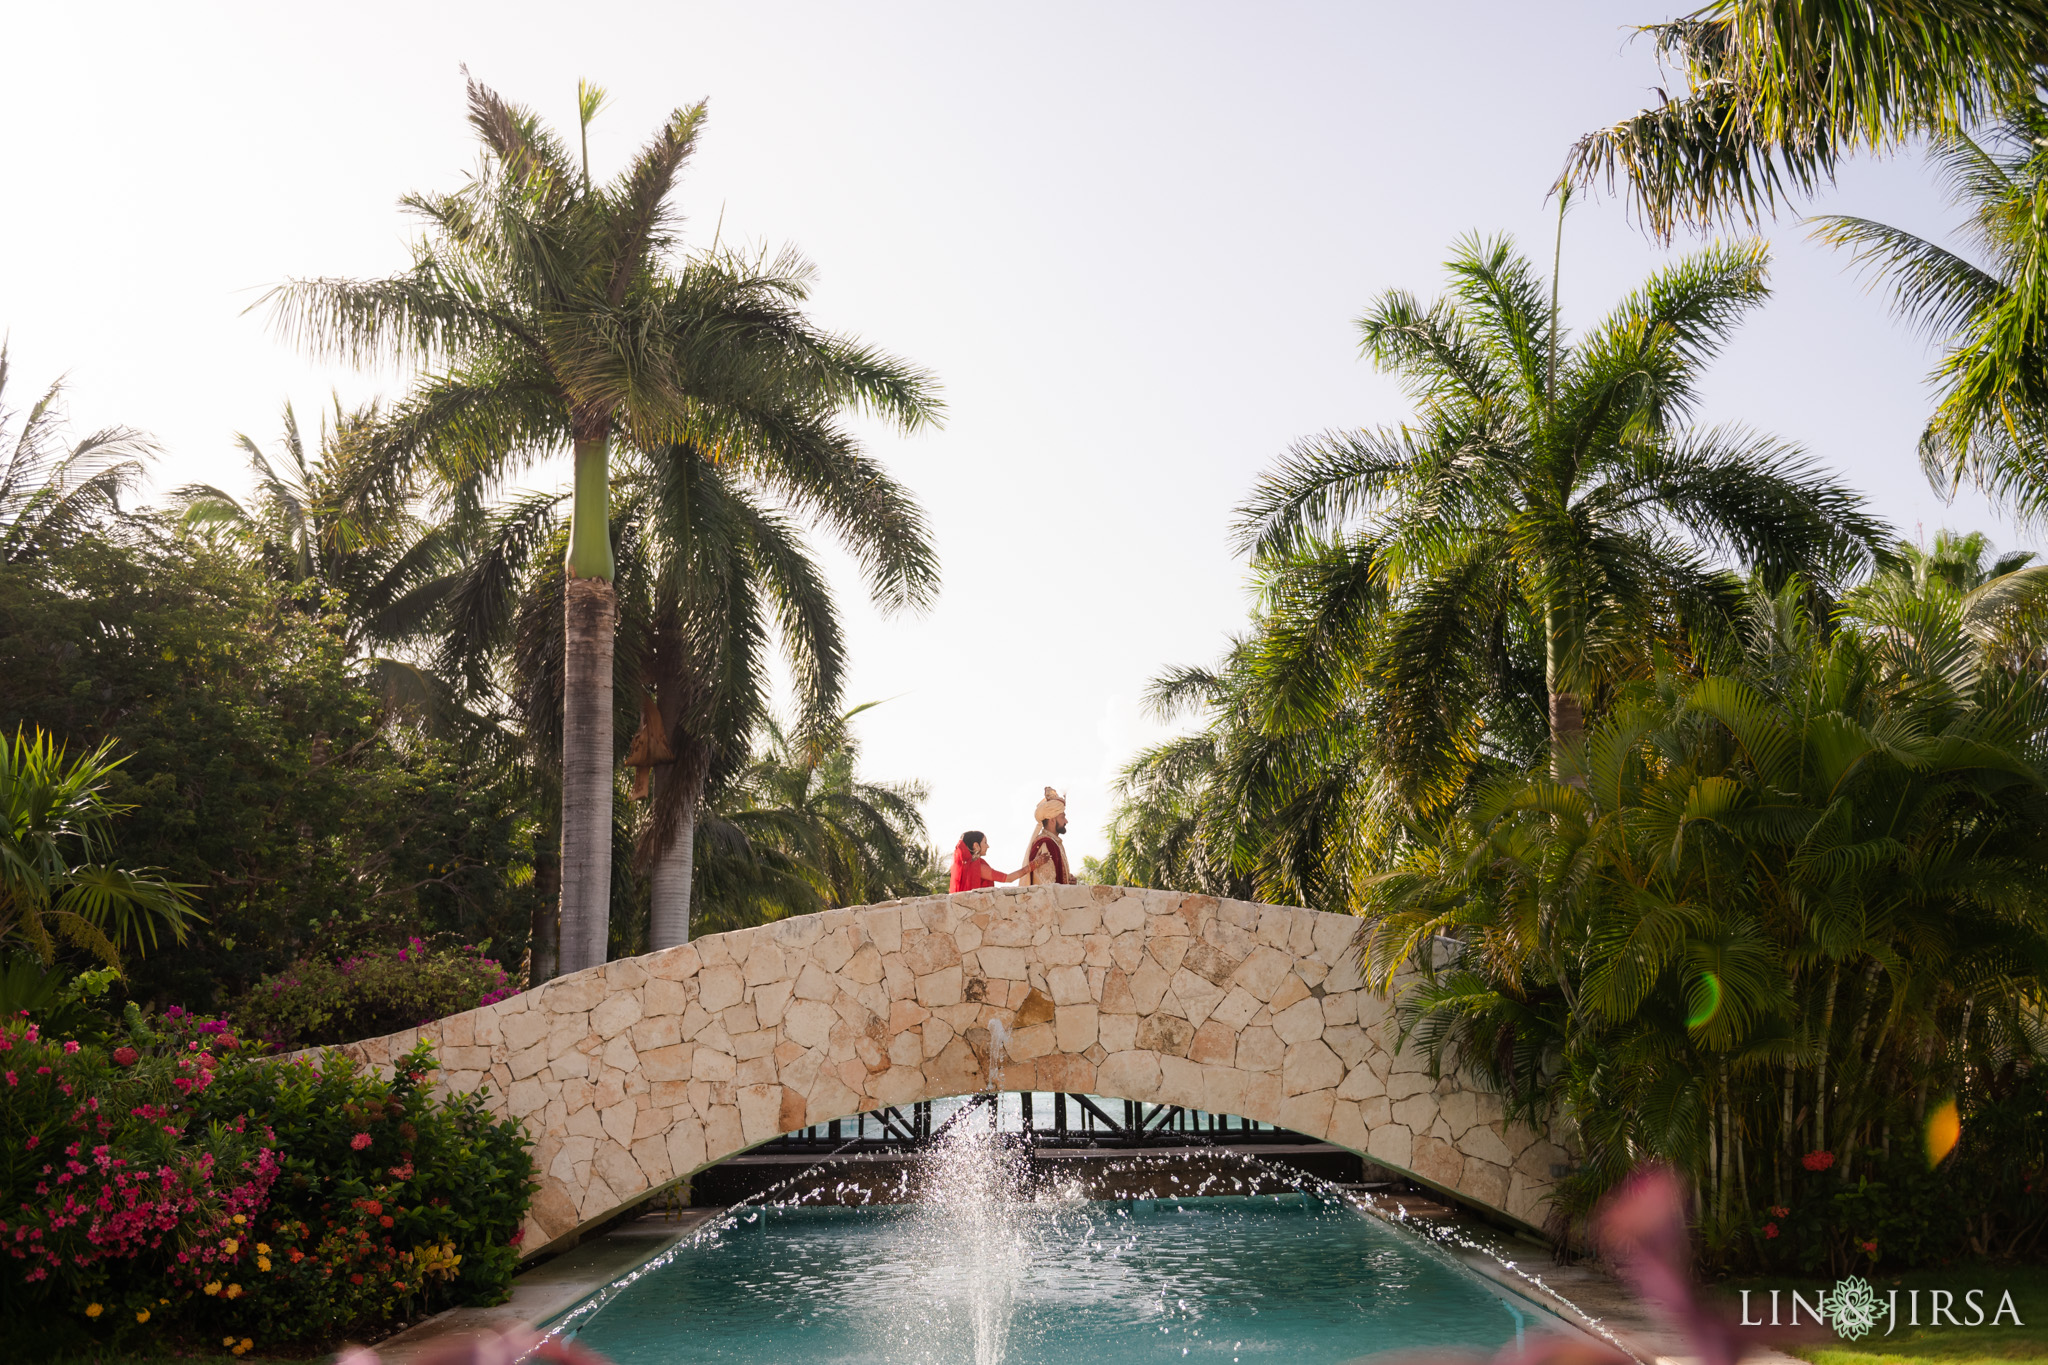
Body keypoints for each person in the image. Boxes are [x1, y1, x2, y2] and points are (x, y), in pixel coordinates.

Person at [1018, 787, 1075, 885]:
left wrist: (1070, 883)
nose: (1066, 821)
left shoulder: (1054, 843)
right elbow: (1047, 887)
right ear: (1052, 820)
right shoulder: (1046, 843)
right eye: (1063, 817)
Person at [948, 830, 1035, 893]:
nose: (988, 846)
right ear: (976, 845)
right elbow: (1008, 878)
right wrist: (1032, 866)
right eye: (985, 842)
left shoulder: (965, 866)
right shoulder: (977, 867)